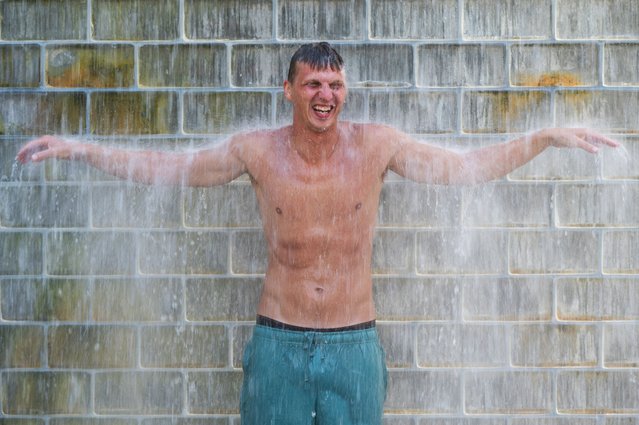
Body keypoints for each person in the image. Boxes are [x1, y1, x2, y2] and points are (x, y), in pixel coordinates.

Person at [17, 42, 618, 424]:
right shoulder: (257, 152)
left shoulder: (377, 145)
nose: (324, 95)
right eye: (311, 84)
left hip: (355, 347)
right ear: (288, 90)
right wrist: (82, 148)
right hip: (278, 345)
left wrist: (544, 138)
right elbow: (171, 169)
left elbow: (462, 168)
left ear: (345, 91)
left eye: (334, 85)